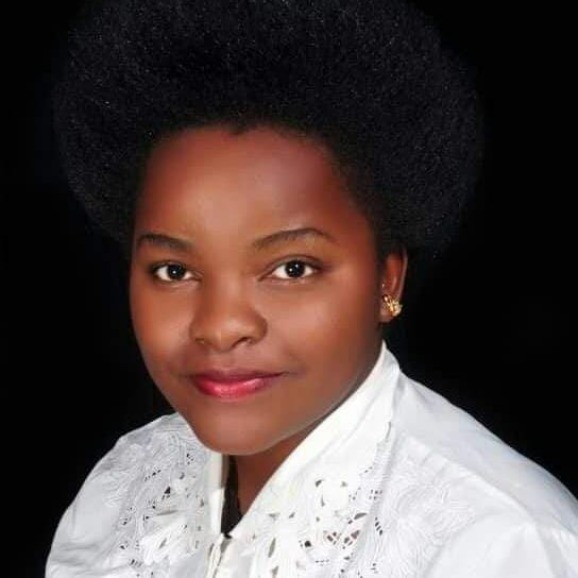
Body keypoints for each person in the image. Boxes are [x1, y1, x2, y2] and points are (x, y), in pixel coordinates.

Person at [45, 0, 578, 576]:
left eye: (292, 269)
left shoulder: (501, 545)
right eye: (175, 271)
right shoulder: (125, 485)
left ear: (387, 278)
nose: (221, 326)